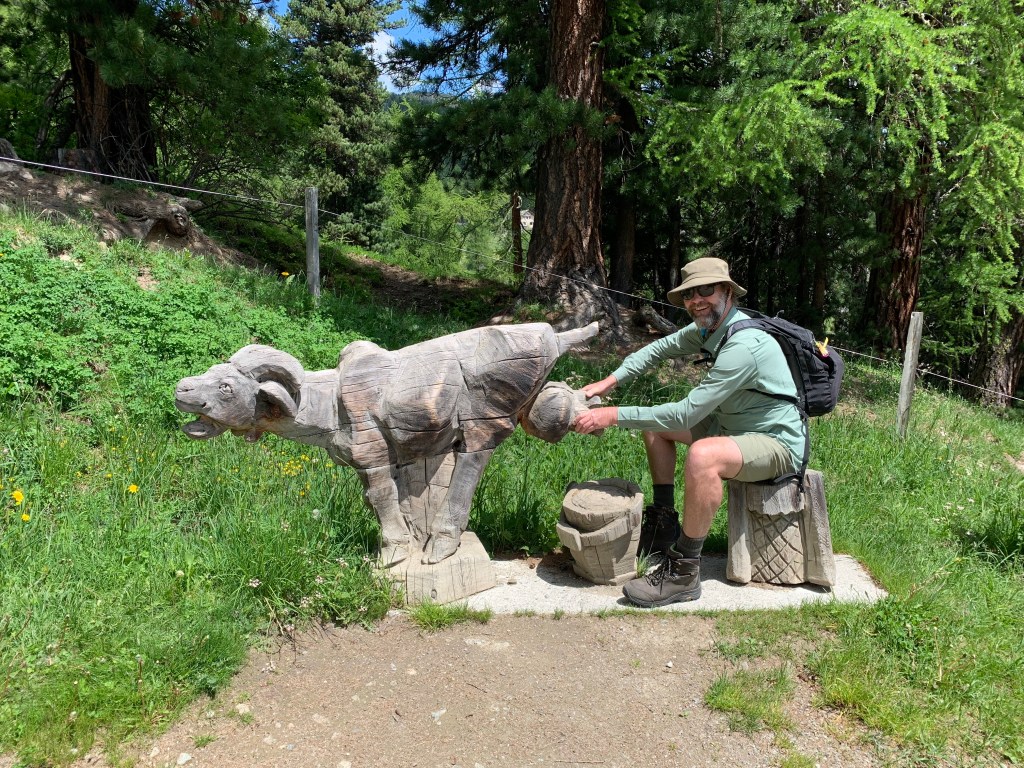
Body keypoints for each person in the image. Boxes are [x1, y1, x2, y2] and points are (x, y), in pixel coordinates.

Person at [571, 257, 805, 607]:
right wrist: (609, 381)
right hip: (731, 427)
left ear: (727, 292)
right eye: (689, 294)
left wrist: (612, 415)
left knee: (703, 456)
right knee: (656, 428)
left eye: (705, 290)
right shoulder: (710, 331)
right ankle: (663, 524)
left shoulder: (744, 345)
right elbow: (657, 349)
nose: (696, 300)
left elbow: (687, 412)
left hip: (775, 442)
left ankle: (683, 571)